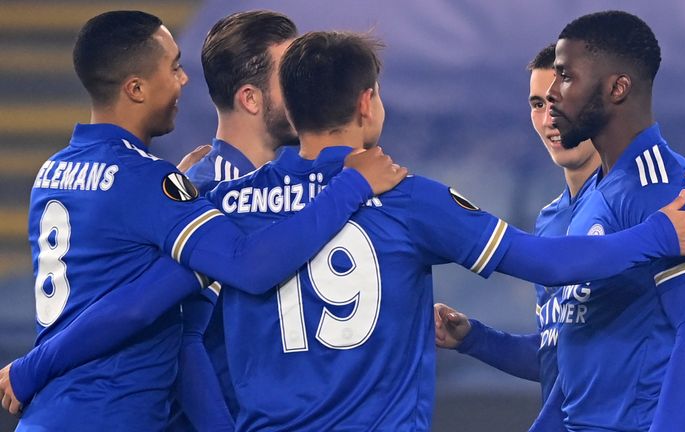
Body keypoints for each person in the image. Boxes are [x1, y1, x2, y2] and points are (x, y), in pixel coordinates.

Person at [203, 30, 685, 430]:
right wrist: (659, 234)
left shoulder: (225, 201)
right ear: (367, 102)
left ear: (290, 109)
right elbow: (546, 263)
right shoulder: (409, 198)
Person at [0, 10, 408, 431]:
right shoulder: (174, 186)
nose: (183, 79)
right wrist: (352, 187)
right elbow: (166, 319)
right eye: (174, 67)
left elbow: (130, 288)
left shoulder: (61, 170)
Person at [434, 42, 685, 425]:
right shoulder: (550, 220)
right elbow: (566, 358)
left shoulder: (652, 187)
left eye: (559, 99)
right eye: (537, 104)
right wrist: (475, 338)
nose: (550, 117)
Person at [533, 10, 685, 431]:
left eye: (564, 76)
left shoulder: (664, 187)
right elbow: (575, 349)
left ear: (618, 87)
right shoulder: (594, 194)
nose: (552, 95)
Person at [170, 10, 301, 430]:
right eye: (293, 76)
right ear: (250, 98)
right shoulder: (204, 197)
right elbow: (182, 342)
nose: (310, 88)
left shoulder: (293, 186)